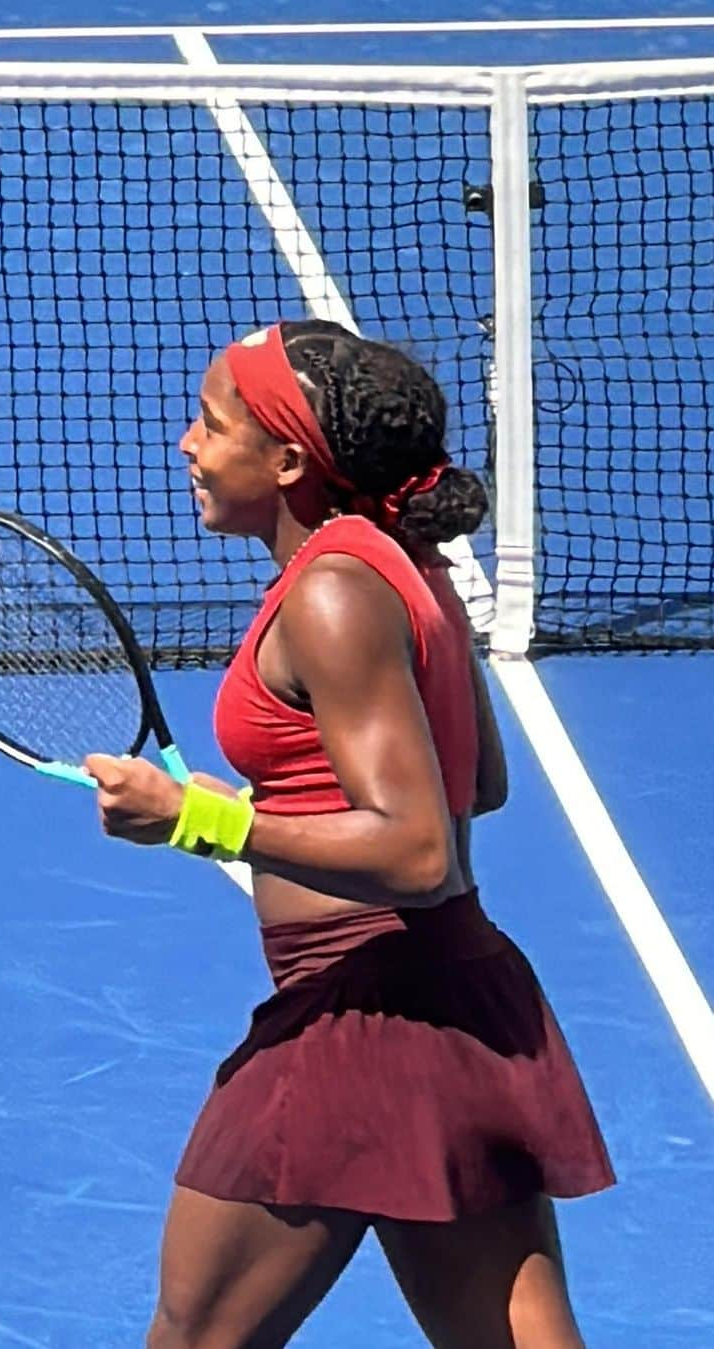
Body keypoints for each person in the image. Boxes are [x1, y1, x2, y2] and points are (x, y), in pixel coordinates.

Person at [84, 319, 613, 1349]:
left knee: (194, 1337)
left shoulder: (331, 592)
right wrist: (280, 788)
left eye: (211, 422)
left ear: (286, 460)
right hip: (461, 998)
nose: (187, 444)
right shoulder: (400, 560)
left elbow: (419, 852)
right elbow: (482, 783)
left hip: (356, 1017)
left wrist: (197, 816)